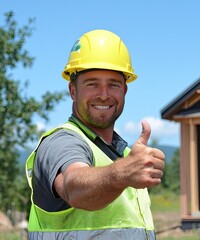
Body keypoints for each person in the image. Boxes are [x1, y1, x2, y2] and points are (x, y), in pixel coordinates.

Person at [25, 29, 165, 240]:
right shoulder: (61, 142)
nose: (103, 94)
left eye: (113, 84)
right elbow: (73, 186)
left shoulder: (125, 154)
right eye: (92, 84)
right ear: (73, 91)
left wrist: (126, 168)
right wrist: (123, 173)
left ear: (124, 91)